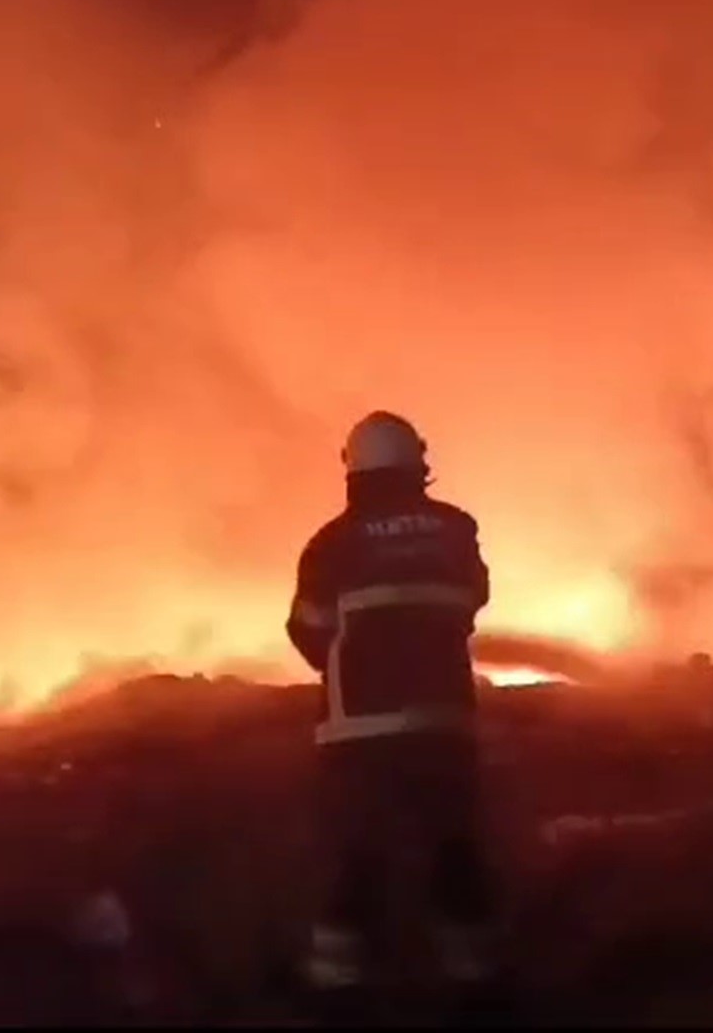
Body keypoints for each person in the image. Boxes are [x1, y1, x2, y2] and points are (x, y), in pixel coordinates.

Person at [285, 410, 501, 1010]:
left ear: (352, 469)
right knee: (455, 852)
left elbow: (309, 631)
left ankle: (339, 992)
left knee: (353, 857)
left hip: (356, 734)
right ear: (419, 466)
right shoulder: (455, 529)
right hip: (443, 725)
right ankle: (475, 986)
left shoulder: (330, 543)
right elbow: (472, 600)